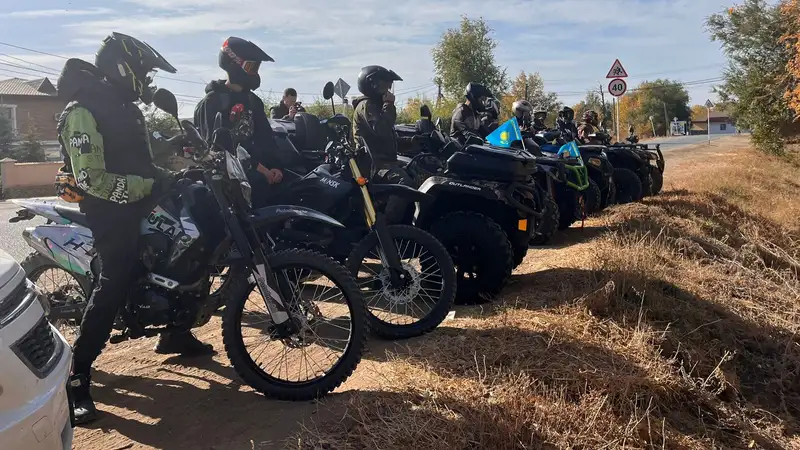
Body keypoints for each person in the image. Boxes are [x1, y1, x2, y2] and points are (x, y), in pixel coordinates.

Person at [55, 32, 213, 426]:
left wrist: (177, 174)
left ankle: (174, 332)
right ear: (123, 68)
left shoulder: (127, 107)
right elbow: (91, 178)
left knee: (189, 246)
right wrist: (150, 185)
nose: (149, 80)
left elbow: (139, 161)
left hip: (138, 201)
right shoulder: (82, 110)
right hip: (108, 210)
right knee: (117, 278)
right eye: (145, 71)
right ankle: (76, 378)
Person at [194, 37, 289, 205]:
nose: (255, 73)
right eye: (251, 67)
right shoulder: (212, 102)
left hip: (264, 180)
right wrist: (259, 169)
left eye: (256, 68)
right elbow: (214, 151)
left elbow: (266, 138)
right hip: (232, 188)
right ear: (233, 64)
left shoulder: (254, 101)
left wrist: (276, 167)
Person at [351, 65, 411, 223]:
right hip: (374, 166)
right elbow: (382, 129)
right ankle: (387, 229)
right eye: (385, 84)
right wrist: (389, 105)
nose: (389, 89)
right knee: (403, 183)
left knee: (416, 171)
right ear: (372, 84)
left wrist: (414, 142)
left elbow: (386, 137)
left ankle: (410, 225)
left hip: (385, 162)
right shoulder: (366, 106)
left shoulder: (375, 106)